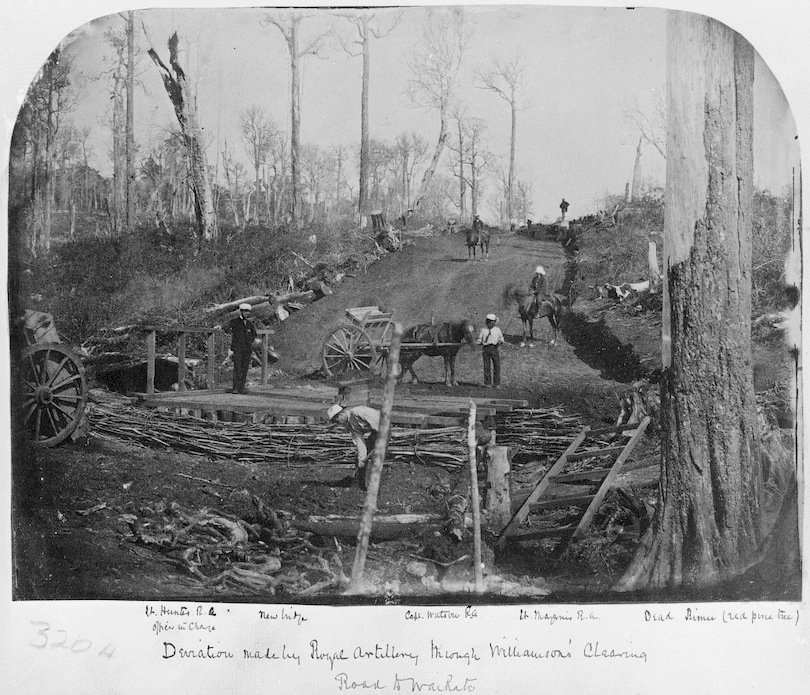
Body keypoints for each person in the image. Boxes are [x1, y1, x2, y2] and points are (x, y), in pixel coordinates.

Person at [327, 403, 381, 491]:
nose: (338, 423)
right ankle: (360, 485)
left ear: (341, 414)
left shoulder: (358, 412)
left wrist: (381, 437)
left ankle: (374, 489)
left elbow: (378, 420)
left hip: (383, 429)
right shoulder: (352, 425)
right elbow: (359, 442)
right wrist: (361, 458)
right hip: (375, 434)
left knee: (376, 457)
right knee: (359, 459)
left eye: (337, 420)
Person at [229, 303, 257, 394]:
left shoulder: (249, 324)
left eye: (248, 311)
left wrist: (249, 342)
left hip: (247, 349)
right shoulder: (235, 322)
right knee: (237, 367)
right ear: (241, 312)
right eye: (245, 311)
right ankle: (235, 388)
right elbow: (226, 326)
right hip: (238, 349)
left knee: (244, 368)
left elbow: (254, 334)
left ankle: (242, 387)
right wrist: (220, 326)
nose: (247, 313)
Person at [477, 313, 504, 388]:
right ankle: (487, 383)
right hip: (486, 349)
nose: (491, 323)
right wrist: (478, 342)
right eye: (489, 322)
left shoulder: (497, 330)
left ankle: (497, 383)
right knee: (486, 366)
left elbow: (501, 338)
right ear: (487, 322)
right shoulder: (483, 330)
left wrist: (500, 341)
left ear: (494, 322)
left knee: (497, 366)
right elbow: (479, 339)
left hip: (494, 348)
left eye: (493, 322)